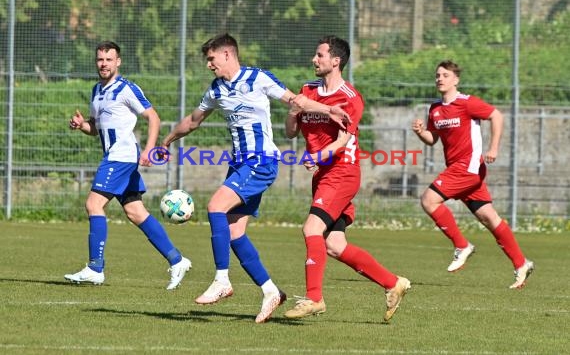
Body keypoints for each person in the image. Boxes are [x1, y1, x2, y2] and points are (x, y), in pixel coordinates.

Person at [160, 33, 349, 323]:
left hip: (261, 161)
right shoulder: (216, 90)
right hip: (239, 164)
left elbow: (296, 101)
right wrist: (167, 141)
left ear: (227, 54)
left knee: (215, 207)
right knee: (235, 234)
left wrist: (328, 109)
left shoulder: (258, 78)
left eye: (212, 58)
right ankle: (271, 291)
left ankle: (222, 280)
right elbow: (193, 121)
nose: (209, 65)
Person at [282, 35, 411, 322]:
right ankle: (393, 283)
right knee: (334, 245)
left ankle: (314, 298)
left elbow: (342, 142)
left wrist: (317, 156)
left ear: (336, 61)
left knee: (311, 229)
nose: (314, 60)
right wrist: (293, 111)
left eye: (320, 55)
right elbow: (291, 131)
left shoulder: (351, 98)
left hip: (342, 173)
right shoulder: (307, 91)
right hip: (324, 175)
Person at [64, 41, 191, 290]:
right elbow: (96, 128)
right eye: (100, 59)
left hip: (121, 157)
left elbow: (153, 117)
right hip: (114, 156)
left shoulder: (126, 88)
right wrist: (82, 126)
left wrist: (149, 149)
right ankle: (177, 260)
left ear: (118, 62)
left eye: (109, 59)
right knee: (135, 212)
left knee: (93, 204)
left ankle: (95, 268)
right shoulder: (96, 91)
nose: (104, 64)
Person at [411, 60, 534, 289]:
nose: (440, 78)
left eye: (445, 75)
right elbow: (432, 139)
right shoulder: (435, 109)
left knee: (429, 200)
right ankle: (521, 264)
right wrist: (421, 132)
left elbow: (496, 115)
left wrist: (494, 147)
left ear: (456, 80)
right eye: (437, 75)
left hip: (468, 167)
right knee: (489, 218)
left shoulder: (467, 103)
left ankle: (461, 245)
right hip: (460, 170)